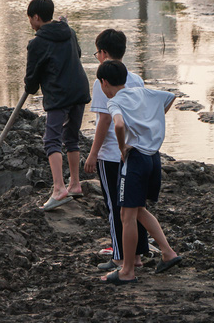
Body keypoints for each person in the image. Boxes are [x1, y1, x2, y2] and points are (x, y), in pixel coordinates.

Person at [95, 60, 182, 285]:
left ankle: (127, 270)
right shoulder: (143, 92)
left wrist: (123, 147)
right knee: (139, 210)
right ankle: (168, 252)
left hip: (136, 160)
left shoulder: (114, 102)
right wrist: (151, 122)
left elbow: (119, 125)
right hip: (154, 158)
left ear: (104, 83)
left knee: (127, 216)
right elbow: (170, 97)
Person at [84, 29, 149, 271]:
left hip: (112, 153)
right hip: (134, 149)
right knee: (135, 205)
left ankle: (120, 257)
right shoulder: (136, 79)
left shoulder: (101, 82)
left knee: (115, 206)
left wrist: (93, 154)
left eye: (97, 52)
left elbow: (104, 121)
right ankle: (138, 255)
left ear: (103, 53)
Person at [23, 0, 91, 211]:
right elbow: (77, 54)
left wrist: (31, 84)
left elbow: (32, 82)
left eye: (30, 19)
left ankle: (59, 189)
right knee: (71, 137)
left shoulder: (37, 43)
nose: (30, 24)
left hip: (59, 95)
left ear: (36, 17)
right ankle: (75, 184)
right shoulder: (68, 31)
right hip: (79, 90)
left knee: (51, 141)